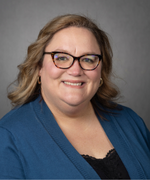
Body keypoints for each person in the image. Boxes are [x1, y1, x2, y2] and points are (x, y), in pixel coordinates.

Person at [0, 14, 149, 179]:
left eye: (88, 59)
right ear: (39, 67)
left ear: (100, 70)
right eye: (62, 58)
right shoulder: (8, 137)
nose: (76, 71)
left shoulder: (130, 121)